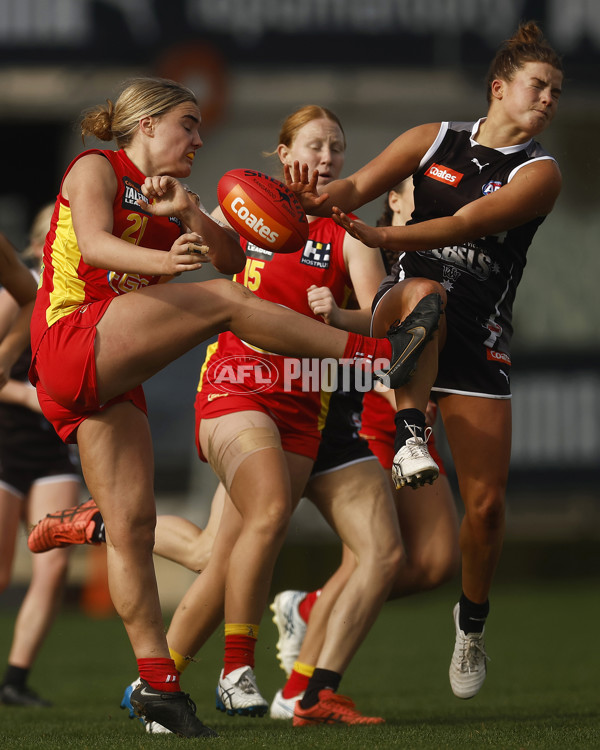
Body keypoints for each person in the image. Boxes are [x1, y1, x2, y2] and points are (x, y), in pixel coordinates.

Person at [26, 84, 411, 737]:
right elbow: (91, 244)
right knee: (226, 310)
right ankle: (374, 355)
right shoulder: (98, 168)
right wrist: (159, 258)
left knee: (133, 530)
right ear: (146, 126)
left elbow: (232, 260)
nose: (198, 140)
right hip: (70, 341)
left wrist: (191, 217)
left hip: (108, 373)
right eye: (187, 126)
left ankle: (158, 687)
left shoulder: (171, 197)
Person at [285, 21, 563, 700]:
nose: (549, 99)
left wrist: (383, 230)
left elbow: (470, 224)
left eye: (558, 90)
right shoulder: (431, 139)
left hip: (479, 335)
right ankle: (412, 435)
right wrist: (310, 200)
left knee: (488, 509)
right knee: (425, 292)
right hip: (400, 304)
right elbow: (352, 191)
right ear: (500, 87)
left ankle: (470, 625)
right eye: (539, 85)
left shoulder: (540, 172)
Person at [270, 181, 460, 723]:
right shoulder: (374, 249)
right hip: (377, 412)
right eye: (416, 192)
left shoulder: (448, 253)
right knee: (370, 556)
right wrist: (387, 386)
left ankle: (307, 608)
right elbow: (370, 333)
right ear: (394, 204)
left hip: (413, 413)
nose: (438, 205)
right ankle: (305, 690)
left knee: (433, 563)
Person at [0, 208, 82, 708]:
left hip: (54, 445)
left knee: (53, 566)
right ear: (39, 246)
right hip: (6, 441)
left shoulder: (80, 298)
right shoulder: (19, 293)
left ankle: (14, 679)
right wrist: (28, 395)